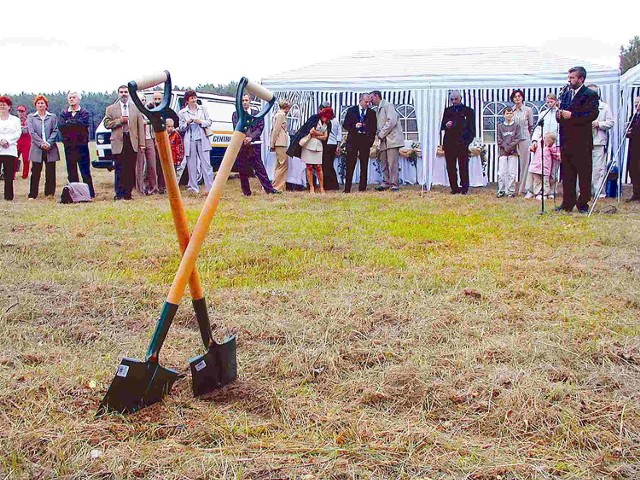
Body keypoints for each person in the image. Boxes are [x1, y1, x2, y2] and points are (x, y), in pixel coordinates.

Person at [555, 66, 599, 213]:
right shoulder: (566, 93)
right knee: (568, 174)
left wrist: (572, 116)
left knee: (584, 174)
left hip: (582, 142)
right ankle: (567, 203)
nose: (569, 80)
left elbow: (591, 115)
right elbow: (562, 115)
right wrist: (559, 115)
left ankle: (583, 203)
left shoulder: (590, 94)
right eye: (569, 77)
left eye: (572, 77)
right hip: (567, 140)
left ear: (581, 79)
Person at [232, 93, 279, 196]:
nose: (244, 102)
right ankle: (246, 192)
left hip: (254, 146)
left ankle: (269, 190)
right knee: (243, 170)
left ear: (250, 101)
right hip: (242, 146)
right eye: (243, 100)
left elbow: (260, 127)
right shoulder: (236, 114)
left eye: (246, 100)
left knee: (260, 168)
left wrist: (251, 137)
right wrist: (244, 138)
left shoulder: (257, 114)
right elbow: (236, 127)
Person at [104, 85, 145, 200]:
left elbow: (140, 126)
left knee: (130, 168)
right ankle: (119, 194)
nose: (124, 94)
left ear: (129, 94)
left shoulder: (136, 108)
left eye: (126, 92)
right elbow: (107, 124)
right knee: (119, 168)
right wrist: (119, 121)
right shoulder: (111, 109)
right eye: (121, 92)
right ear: (118, 94)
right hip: (118, 142)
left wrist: (142, 144)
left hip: (132, 141)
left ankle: (128, 194)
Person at [58, 91, 95, 198]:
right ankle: (74, 194)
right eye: (70, 97)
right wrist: (75, 123)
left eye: (74, 97)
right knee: (71, 172)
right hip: (69, 147)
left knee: (85, 172)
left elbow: (83, 125)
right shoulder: (63, 114)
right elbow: (61, 127)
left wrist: (68, 123)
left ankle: (89, 194)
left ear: (79, 99)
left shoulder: (84, 112)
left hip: (82, 147)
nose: (71, 99)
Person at [178, 90, 214, 195]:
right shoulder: (182, 113)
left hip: (202, 139)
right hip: (190, 140)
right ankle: (193, 188)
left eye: (195, 97)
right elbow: (181, 128)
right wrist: (187, 123)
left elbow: (210, 122)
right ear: (187, 101)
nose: (194, 100)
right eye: (191, 98)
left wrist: (200, 122)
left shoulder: (203, 109)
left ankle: (210, 188)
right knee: (191, 165)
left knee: (206, 164)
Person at [440, 90, 475, 194]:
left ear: (461, 98)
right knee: (450, 167)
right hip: (449, 143)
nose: (454, 101)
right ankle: (454, 188)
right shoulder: (446, 111)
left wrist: (466, 142)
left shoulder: (468, 111)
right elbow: (440, 125)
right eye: (452, 99)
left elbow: (472, 129)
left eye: (456, 99)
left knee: (463, 166)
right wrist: (445, 125)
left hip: (462, 143)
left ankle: (464, 188)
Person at [370, 91, 404, 192]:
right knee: (383, 162)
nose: (370, 100)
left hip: (392, 139)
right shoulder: (378, 108)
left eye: (371, 97)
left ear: (376, 96)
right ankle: (385, 182)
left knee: (392, 163)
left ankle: (394, 184)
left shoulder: (388, 105)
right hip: (384, 140)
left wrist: (381, 134)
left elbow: (391, 121)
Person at [27, 95, 60, 199]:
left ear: (46, 105)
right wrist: (41, 143)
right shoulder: (31, 117)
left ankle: (49, 193)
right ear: (35, 105)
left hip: (51, 148)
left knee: (50, 171)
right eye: (38, 103)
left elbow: (55, 130)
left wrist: (48, 143)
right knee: (35, 171)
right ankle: (33, 194)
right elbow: (31, 132)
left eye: (42, 103)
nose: (40, 105)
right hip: (37, 148)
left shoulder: (52, 117)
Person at [342, 93, 376, 193]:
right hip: (353, 141)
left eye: (369, 102)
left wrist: (370, 141)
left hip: (365, 141)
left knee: (364, 165)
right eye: (366, 102)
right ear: (360, 101)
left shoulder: (371, 113)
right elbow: (345, 125)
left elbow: (373, 128)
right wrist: (354, 126)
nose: (368, 104)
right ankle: (347, 188)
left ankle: (362, 188)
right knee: (350, 164)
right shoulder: (351, 110)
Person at [586, 84, 614, 198]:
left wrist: (599, 124)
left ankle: (599, 193)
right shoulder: (582, 106)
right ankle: (585, 192)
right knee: (584, 168)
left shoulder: (604, 107)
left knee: (598, 168)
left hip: (598, 141)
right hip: (584, 142)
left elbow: (611, 122)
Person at [531, 93, 560, 198]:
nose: (549, 104)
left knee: (554, 170)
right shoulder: (543, 113)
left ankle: (552, 190)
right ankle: (541, 190)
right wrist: (534, 140)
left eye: (551, 102)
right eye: (547, 102)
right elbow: (538, 128)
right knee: (542, 168)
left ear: (556, 102)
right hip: (544, 144)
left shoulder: (559, 113)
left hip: (556, 144)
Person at [300, 107, 332, 193]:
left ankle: (321, 187)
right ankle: (311, 187)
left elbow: (325, 137)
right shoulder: (314, 118)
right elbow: (310, 131)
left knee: (319, 167)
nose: (326, 119)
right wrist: (320, 134)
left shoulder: (328, 123)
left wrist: (317, 135)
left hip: (319, 146)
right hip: (308, 145)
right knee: (309, 166)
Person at [510, 89, 534, 197]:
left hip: (524, 138)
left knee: (525, 164)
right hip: (513, 140)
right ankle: (511, 187)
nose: (517, 98)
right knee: (513, 163)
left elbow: (530, 126)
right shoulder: (511, 110)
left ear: (522, 97)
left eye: (519, 96)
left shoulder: (528, 110)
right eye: (515, 96)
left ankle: (523, 188)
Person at [135, 94, 158, 195]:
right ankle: (140, 189)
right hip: (139, 139)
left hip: (150, 139)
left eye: (144, 100)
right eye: (141, 100)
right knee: (140, 165)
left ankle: (154, 188)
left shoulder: (149, 112)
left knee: (152, 164)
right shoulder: (135, 112)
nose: (143, 102)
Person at [496, 106, 521, 198]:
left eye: (510, 113)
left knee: (512, 173)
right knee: (502, 172)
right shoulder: (500, 126)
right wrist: (505, 147)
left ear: (513, 114)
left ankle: (510, 191)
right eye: (507, 113)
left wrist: (510, 147)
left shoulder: (517, 126)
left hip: (513, 152)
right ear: (504, 115)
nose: (509, 115)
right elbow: (499, 139)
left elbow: (518, 138)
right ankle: (501, 190)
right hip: (503, 152)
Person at [0, 96, 21, 200]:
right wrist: (1, 140)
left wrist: (7, 141)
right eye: (0, 104)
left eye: (4, 104)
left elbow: (18, 133)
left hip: (10, 150)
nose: (2, 106)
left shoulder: (16, 120)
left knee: (9, 175)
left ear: (9, 106)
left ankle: (8, 196)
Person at [529, 132, 561, 200]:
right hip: (536, 167)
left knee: (545, 181)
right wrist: (531, 148)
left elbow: (555, 153)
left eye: (550, 141)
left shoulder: (551, 147)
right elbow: (532, 149)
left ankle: (544, 193)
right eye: (547, 139)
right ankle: (537, 193)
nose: (548, 142)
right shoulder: (538, 143)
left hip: (545, 168)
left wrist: (559, 156)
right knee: (537, 181)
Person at [270, 100, 290, 192]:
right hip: (280, 142)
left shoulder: (278, 114)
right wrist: (272, 143)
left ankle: (278, 186)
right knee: (283, 165)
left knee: (279, 165)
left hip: (279, 142)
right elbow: (276, 130)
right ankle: (277, 186)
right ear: (286, 108)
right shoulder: (281, 115)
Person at [321, 101, 342, 191]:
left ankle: (330, 185)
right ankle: (332, 184)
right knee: (329, 164)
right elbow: (339, 133)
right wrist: (338, 145)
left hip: (327, 143)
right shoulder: (336, 120)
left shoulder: (325, 120)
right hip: (333, 144)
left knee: (326, 165)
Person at [626, 96, 640, 202]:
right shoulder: (634, 116)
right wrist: (627, 132)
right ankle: (636, 193)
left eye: (638, 102)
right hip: (634, 146)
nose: (636, 104)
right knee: (633, 169)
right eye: (635, 102)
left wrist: (633, 132)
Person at [16, 105, 30, 179]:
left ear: (25, 112)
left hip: (26, 143)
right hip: (17, 142)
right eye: (19, 111)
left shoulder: (28, 120)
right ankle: (12, 174)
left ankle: (25, 175)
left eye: (22, 111)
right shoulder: (15, 120)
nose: (20, 113)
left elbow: (26, 131)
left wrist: (19, 128)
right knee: (14, 158)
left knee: (26, 159)